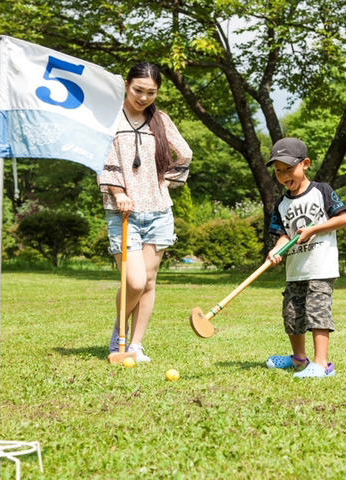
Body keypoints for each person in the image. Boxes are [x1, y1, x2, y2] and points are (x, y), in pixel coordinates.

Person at [98, 62, 192, 363]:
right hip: (123, 212)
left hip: (158, 211)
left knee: (149, 281)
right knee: (134, 281)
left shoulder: (160, 120)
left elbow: (185, 154)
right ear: (126, 85)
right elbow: (101, 157)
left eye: (151, 92)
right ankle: (119, 332)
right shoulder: (111, 119)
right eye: (138, 90)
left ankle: (135, 345)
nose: (144, 98)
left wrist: (164, 182)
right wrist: (119, 192)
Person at [265, 137, 346, 378]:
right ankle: (299, 359)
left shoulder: (322, 191)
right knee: (292, 314)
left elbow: (342, 219)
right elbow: (282, 235)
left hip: (320, 268)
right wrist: (276, 250)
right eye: (278, 171)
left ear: (305, 164)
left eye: (289, 169)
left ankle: (322, 364)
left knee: (317, 313)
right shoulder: (281, 203)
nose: (283, 176)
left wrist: (313, 229)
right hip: (295, 270)